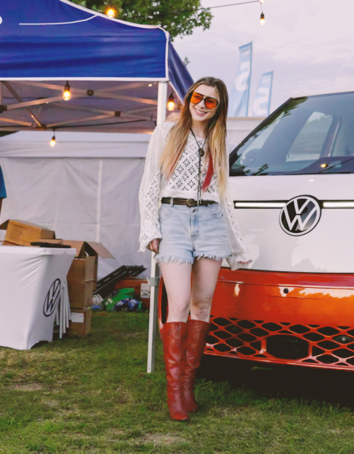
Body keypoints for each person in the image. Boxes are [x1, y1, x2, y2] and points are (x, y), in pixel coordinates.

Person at [139, 77, 251, 422]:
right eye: (197, 97)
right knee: (181, 302)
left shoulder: (219, 139)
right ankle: (174, 392)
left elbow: (223, 191)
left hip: (211, 220)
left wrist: (237, 241)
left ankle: (188, 386)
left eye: (210, 101)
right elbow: (150, 183)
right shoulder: (167, 131)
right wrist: (150, 227)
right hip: (172, 217)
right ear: (188, 98)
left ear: (220, 108)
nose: (201, 104)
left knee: (202, 304)